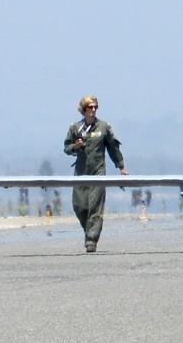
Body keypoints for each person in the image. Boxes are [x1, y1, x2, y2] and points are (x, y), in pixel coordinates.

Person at [64, 95, 129, 253]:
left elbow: (113, 148)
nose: (93, 110)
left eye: (95, 107)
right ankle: (89, 230)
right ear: (84, 109)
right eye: (90, 107)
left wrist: (121, 166)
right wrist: (75, 146)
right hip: (80, 173)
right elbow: (66, 148)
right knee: (79, 206)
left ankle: (91, 241)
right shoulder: (75, 128)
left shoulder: (103, 127)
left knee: (95, 207)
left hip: (98, 172)